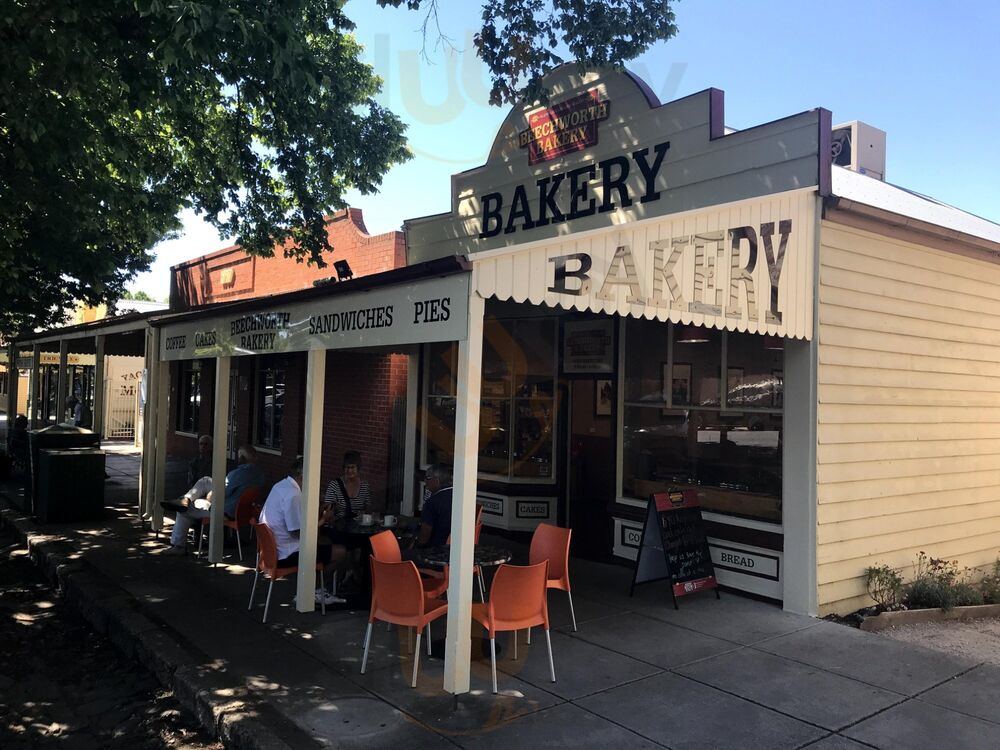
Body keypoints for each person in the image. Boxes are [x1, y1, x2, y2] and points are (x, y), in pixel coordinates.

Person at [259, 457, 346, 605]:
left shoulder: (280, 486)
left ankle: (313, 585)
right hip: (286, 553)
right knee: (341, 551)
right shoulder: (294, 495)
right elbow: (298, 533)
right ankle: (315, 590)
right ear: (304, 476)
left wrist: (318, 511)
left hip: (271, 550)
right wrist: (324, 519)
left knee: (324, 542)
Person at [164, 444, 266, 554]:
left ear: (241, 457)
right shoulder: (259, 474)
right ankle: (185, 499)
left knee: (183, 510)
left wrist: (209, 497)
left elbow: (217, 495)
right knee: (206, 480)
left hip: (225, 512)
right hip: (243, 512)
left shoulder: (237, 474)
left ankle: (179, 547)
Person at [323, 451, 372, 521]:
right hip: (340, 525)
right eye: (347, 467)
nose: (349, 470)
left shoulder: (365, 486)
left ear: (358, 468)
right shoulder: (334, 485)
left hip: (358, 525)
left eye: (352, 467)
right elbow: (328, 509)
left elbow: (368, 508)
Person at [416, 463, 453, 548]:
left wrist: (417, 546)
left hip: (437, 549)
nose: (425, 482)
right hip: (459, 547)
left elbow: (424, 535)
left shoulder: (432, 502)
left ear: (437, 481)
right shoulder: (461, 497)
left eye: (428, 478)